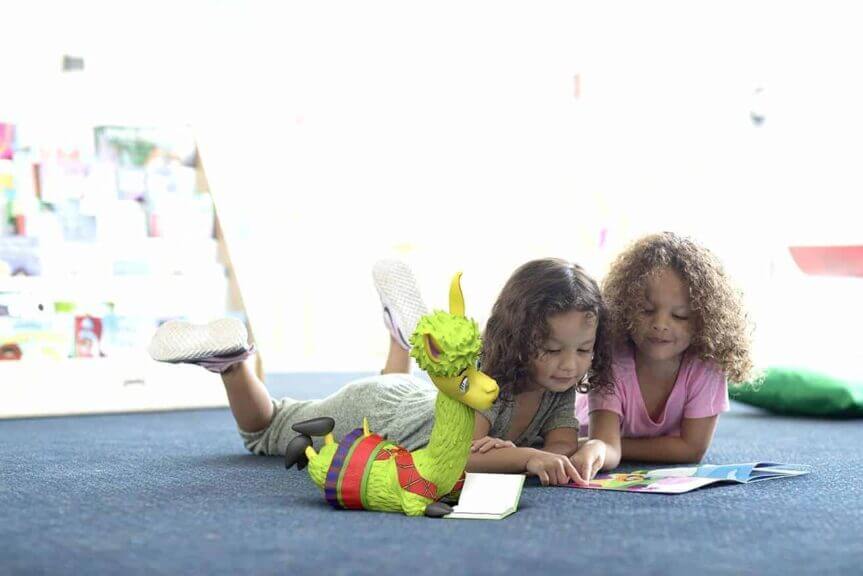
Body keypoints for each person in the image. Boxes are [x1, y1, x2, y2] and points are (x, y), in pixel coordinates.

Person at [148, 257, 613, 486]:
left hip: (406, 394)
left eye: (583, 349)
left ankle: (399, 337)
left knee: (402, 385)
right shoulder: (488, 385)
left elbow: (561, 445)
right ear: (517, 338)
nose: (569, 364)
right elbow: (458, 457)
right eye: (552, 349)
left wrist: (564, 453)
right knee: (264, 430)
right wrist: (526, 457)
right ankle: (233, 362)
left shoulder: (556, 385)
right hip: (373, 410)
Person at [571, 232, 756, 481]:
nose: (660, 324)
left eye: (679, 315)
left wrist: (609, 444)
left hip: (596, 444)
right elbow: (603, 444)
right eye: (646, 310)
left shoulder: (707, 366)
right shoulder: (612, 360)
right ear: (625, 308)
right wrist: (599, 444)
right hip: (583, 438)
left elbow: (692, 449)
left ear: (704, 320)